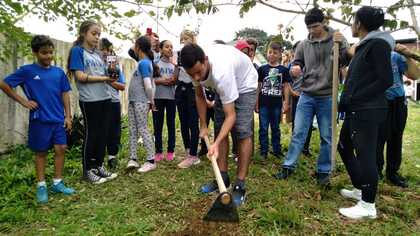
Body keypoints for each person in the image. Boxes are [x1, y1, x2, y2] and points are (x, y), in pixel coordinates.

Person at [274, 8, 350, 186]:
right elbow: (298, 62)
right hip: (307, 95)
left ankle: (323, 171)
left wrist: (342, 48)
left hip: (327, 96)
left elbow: (346, 60)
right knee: (298, 132)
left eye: (315, 26)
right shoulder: (303, 44)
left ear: (323, 23)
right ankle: (288, 166)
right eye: (309, 27)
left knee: (326, 136)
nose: (312, 31)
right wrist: (295, 68)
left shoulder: (338, 38)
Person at [180, 43, 258, 206]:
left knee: (242, 132)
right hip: (225, 84)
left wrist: (214, 144)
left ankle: (240, 183)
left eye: (199, 73)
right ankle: (222, 178)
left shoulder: (222, 73)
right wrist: (203, 125)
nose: (196, 78)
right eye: (191, 74)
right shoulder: (194, 68)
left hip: (245, 83)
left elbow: (232, 116)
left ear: (205, 60)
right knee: (219, 128)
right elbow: (200, 96)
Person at [0, 35, 75, 203]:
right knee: (41, 152)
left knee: (61, 148)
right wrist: (23, 101)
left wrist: (68, 116)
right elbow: (4, 84)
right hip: (39, 119)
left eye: (50, 52)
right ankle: (41, 185)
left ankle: (57, 182)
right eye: (44, 53)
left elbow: (65, 94)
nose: (48, 56)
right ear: (35, 53)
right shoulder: (27, 71)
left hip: (58, 119)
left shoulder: (58, 73)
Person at [337, 6, 394, 219]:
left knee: (366, 154)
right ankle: (360, 188)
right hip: (357, 109)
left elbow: (385, 79)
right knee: (344, 146)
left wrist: (355, 98)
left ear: (359, 23)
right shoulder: (365, 46)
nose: (352, 25)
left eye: (353, 21)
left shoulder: (378, 45)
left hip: (368, 110)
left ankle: (368, 205)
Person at [68, 20, 118, 184]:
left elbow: (110, 72)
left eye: (99, 34)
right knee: (92, 134)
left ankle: (98, 166)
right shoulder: (77, 51)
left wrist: (112, 71)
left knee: (103, 133)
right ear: (83, 34)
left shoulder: (97, 54)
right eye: (94, 33)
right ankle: (87, 170)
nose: (97, 37)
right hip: (90, 100)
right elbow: (80, 77)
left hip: (105, 98)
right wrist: (104, 78)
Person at [376, 43, 419, 188]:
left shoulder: (396, 56)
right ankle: (376, 171)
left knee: (396, 137)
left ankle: (392, 173)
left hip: (398, 102)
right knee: (378, 138)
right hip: (379, 102)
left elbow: (414, 75)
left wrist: (407, 55)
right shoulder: (371, 57)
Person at [126, 36, 160, 173]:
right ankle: (133, 158)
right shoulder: (143, 62)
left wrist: (151, 101)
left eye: (135, 45)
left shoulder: (144, 63)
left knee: (142, 129)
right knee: (133, 129)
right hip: (134, 100)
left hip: (141, 101)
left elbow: (148, 85)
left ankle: (151, 160)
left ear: (139, 47)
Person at [256, 41, 291, 160]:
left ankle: (277, 150)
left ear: (280, 54)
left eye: (275, 53)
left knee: (276, 127)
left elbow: (286, 86)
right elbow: (258, 86)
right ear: (266, 53)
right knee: (263, 127)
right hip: (263, 104)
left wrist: (286, 102)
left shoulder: (284, 70)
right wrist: (256, 103)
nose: (272, 55)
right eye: (270, 52)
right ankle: (263, 150)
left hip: (277, 104)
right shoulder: (262, 69)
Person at [99, 38, 125, 171]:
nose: (105, 52)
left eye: (108, 50)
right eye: (103, 49)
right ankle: (98, 159)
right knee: (99, 130)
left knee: (114, 131)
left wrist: (108, 80)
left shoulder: (116, 66)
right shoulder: (94, 65)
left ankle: (112, 157)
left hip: (114, 101)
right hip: (98, 100)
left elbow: (122, 86)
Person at [176, 29, 201, 169]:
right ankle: (187, 151)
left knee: (193, 122)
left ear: (193, 39)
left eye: (187, 38)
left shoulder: (197, 53)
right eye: (183, 38)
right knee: (183, 122)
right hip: (181, 89)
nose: (185, 41)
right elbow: (177, 72)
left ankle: (194, 154)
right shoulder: (179, 54)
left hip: (193, 89)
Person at [153, 40, 177, 162]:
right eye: (167, 47)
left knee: (171, 124)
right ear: (161, 49)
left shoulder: (174, 64)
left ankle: (171, 151)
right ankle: (158, 151)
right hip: (157, 97)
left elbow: (177, 79)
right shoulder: (155, 63)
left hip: (171, 98)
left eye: (171, 47)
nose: (169, 49)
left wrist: (173, 80)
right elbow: (151, 80)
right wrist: (162, 81)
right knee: (158, 125)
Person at [289, 41, 313, 156]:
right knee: (296, 123)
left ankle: (305, 148)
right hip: (296, 97)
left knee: (308, 124)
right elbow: (286, 82)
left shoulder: (310, 64)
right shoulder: (292, 65)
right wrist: (292, 92)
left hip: (308, 96)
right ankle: (294, 147)